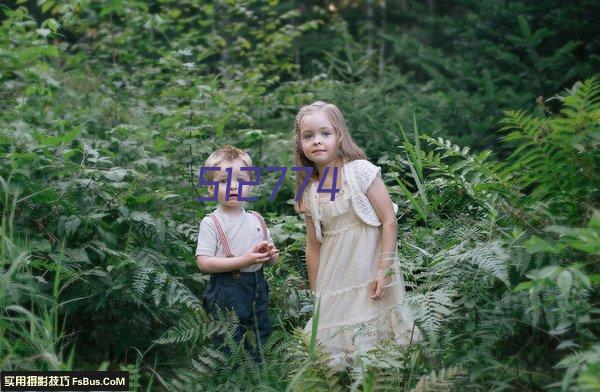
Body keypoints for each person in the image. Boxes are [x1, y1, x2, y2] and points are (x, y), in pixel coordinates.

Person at [292, 101, 420, 370]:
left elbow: (388, 220)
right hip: (335, 277)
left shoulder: (359, 171)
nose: (317, 141)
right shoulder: (309, 189)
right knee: (336, 347)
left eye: (325, 133)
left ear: (339, 135)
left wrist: (383, 269)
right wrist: (317, 294)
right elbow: (314, 245)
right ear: (300, 143)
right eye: (308, 136)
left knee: (375, 342)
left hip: (369, 269)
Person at [196, 145, 279, 363]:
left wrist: (270, 255)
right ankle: (229, 377)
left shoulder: (256, 220)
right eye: (223, 181)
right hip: (226, 289)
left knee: (261, 332)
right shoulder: (212, 222)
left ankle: (260, 375)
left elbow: (273, 260)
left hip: (257, 286)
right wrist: (243, 260)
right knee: (228, 338)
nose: (233, 186)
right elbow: (203, 263)